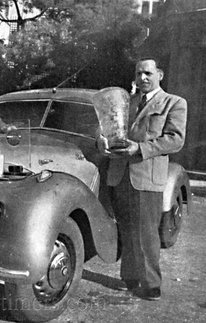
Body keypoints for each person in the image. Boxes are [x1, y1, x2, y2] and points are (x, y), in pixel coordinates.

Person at [97, 57, 187, 300]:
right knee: (126, 229)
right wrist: (105, 142)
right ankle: (130, 278)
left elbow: (175, 140)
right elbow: (112, 130)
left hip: (147, 176)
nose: (143, 78)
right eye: (139, 74)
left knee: (146, 233)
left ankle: (151, 285)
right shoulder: (128, 102)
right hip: (120, 174)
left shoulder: (174, 103)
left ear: (160, 74)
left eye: (148, 73)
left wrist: (139, 149)